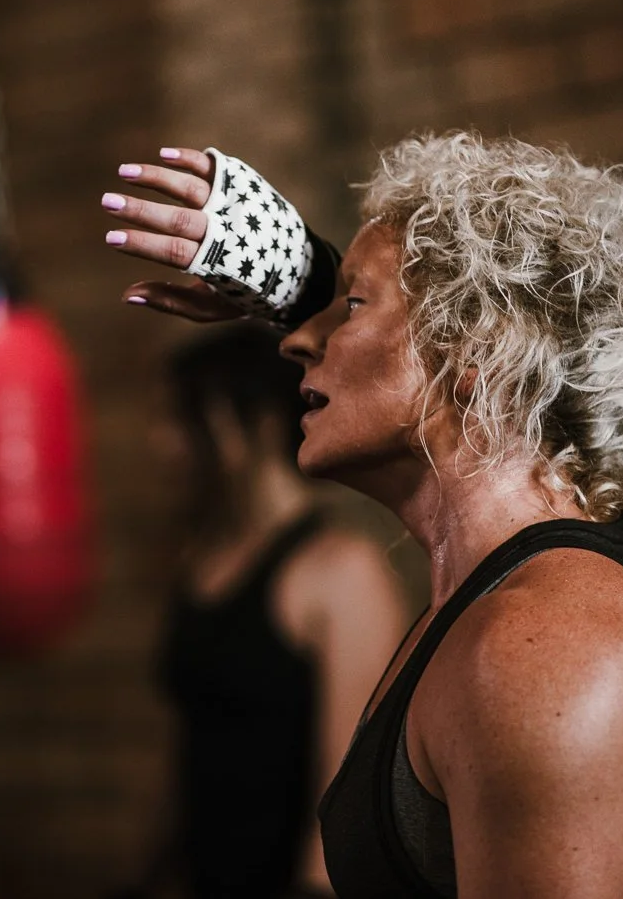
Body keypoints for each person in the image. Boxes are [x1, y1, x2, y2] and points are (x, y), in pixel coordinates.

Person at [100, 134, 623, 898]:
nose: (298, 343)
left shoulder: (539, 649)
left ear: (473, 348)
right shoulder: (509, 594)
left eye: (349, 306)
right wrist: (309, 279)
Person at [131, 325, 403, 899]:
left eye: (180, 420)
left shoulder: (342, 573)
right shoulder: (201, 560)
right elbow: (189, 756)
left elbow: (344, 808)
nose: (161, 443)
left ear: (242, 427)